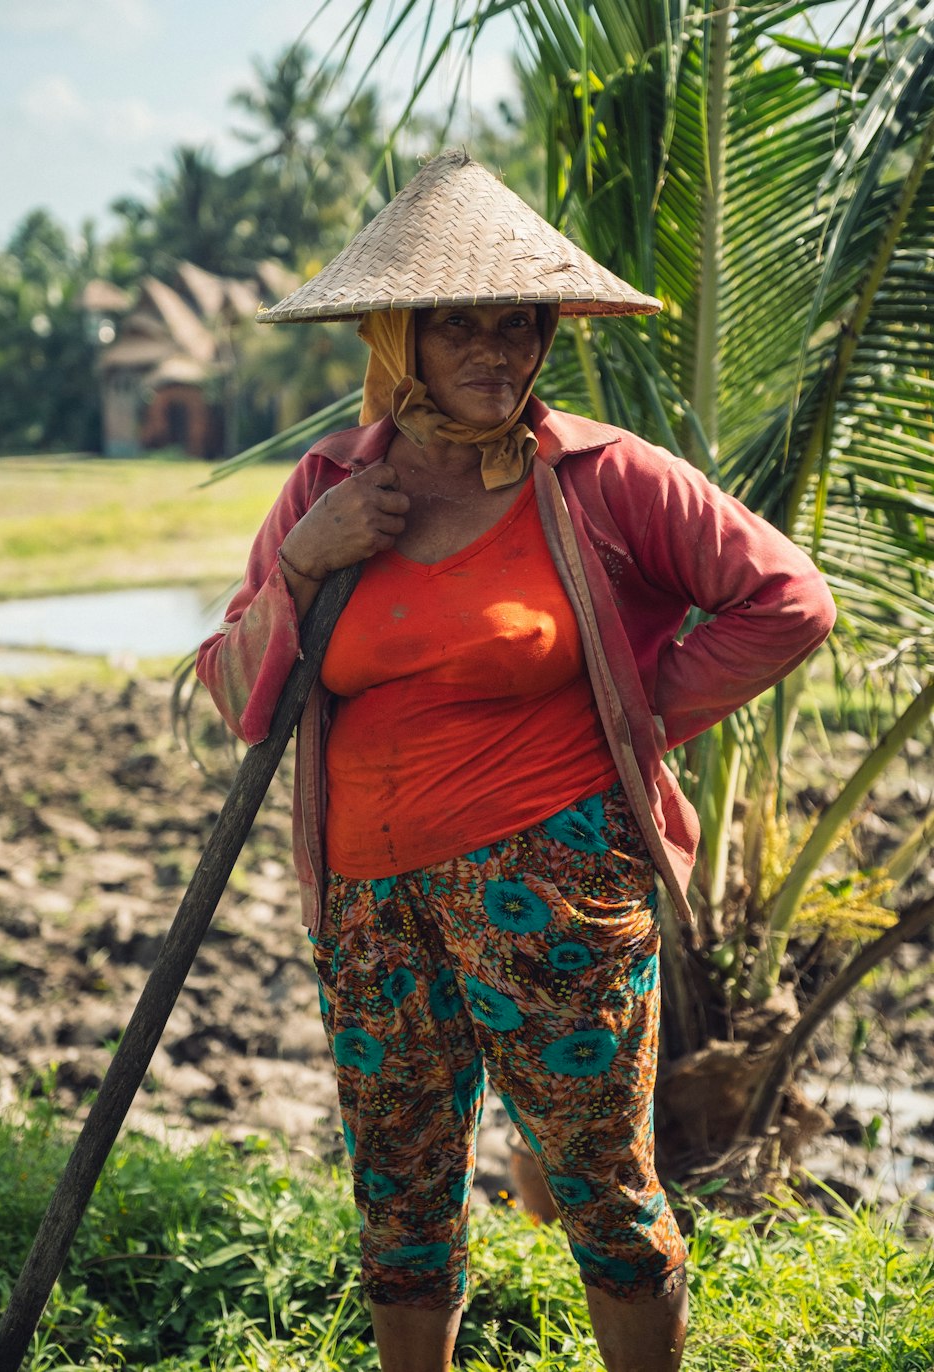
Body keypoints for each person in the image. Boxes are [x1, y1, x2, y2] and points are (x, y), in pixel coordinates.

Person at [196, 150, 836, 1372]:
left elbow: (787, 600)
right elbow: (237, 692)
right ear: (404, 340)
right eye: (462, 329)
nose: (498, 353)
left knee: (600, 1184)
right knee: (401, 1196)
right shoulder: (329, 488)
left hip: (554, 890)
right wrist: (305, 566)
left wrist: (629, 712)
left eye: (520, 324)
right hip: (370, 906)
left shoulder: (599, 476)